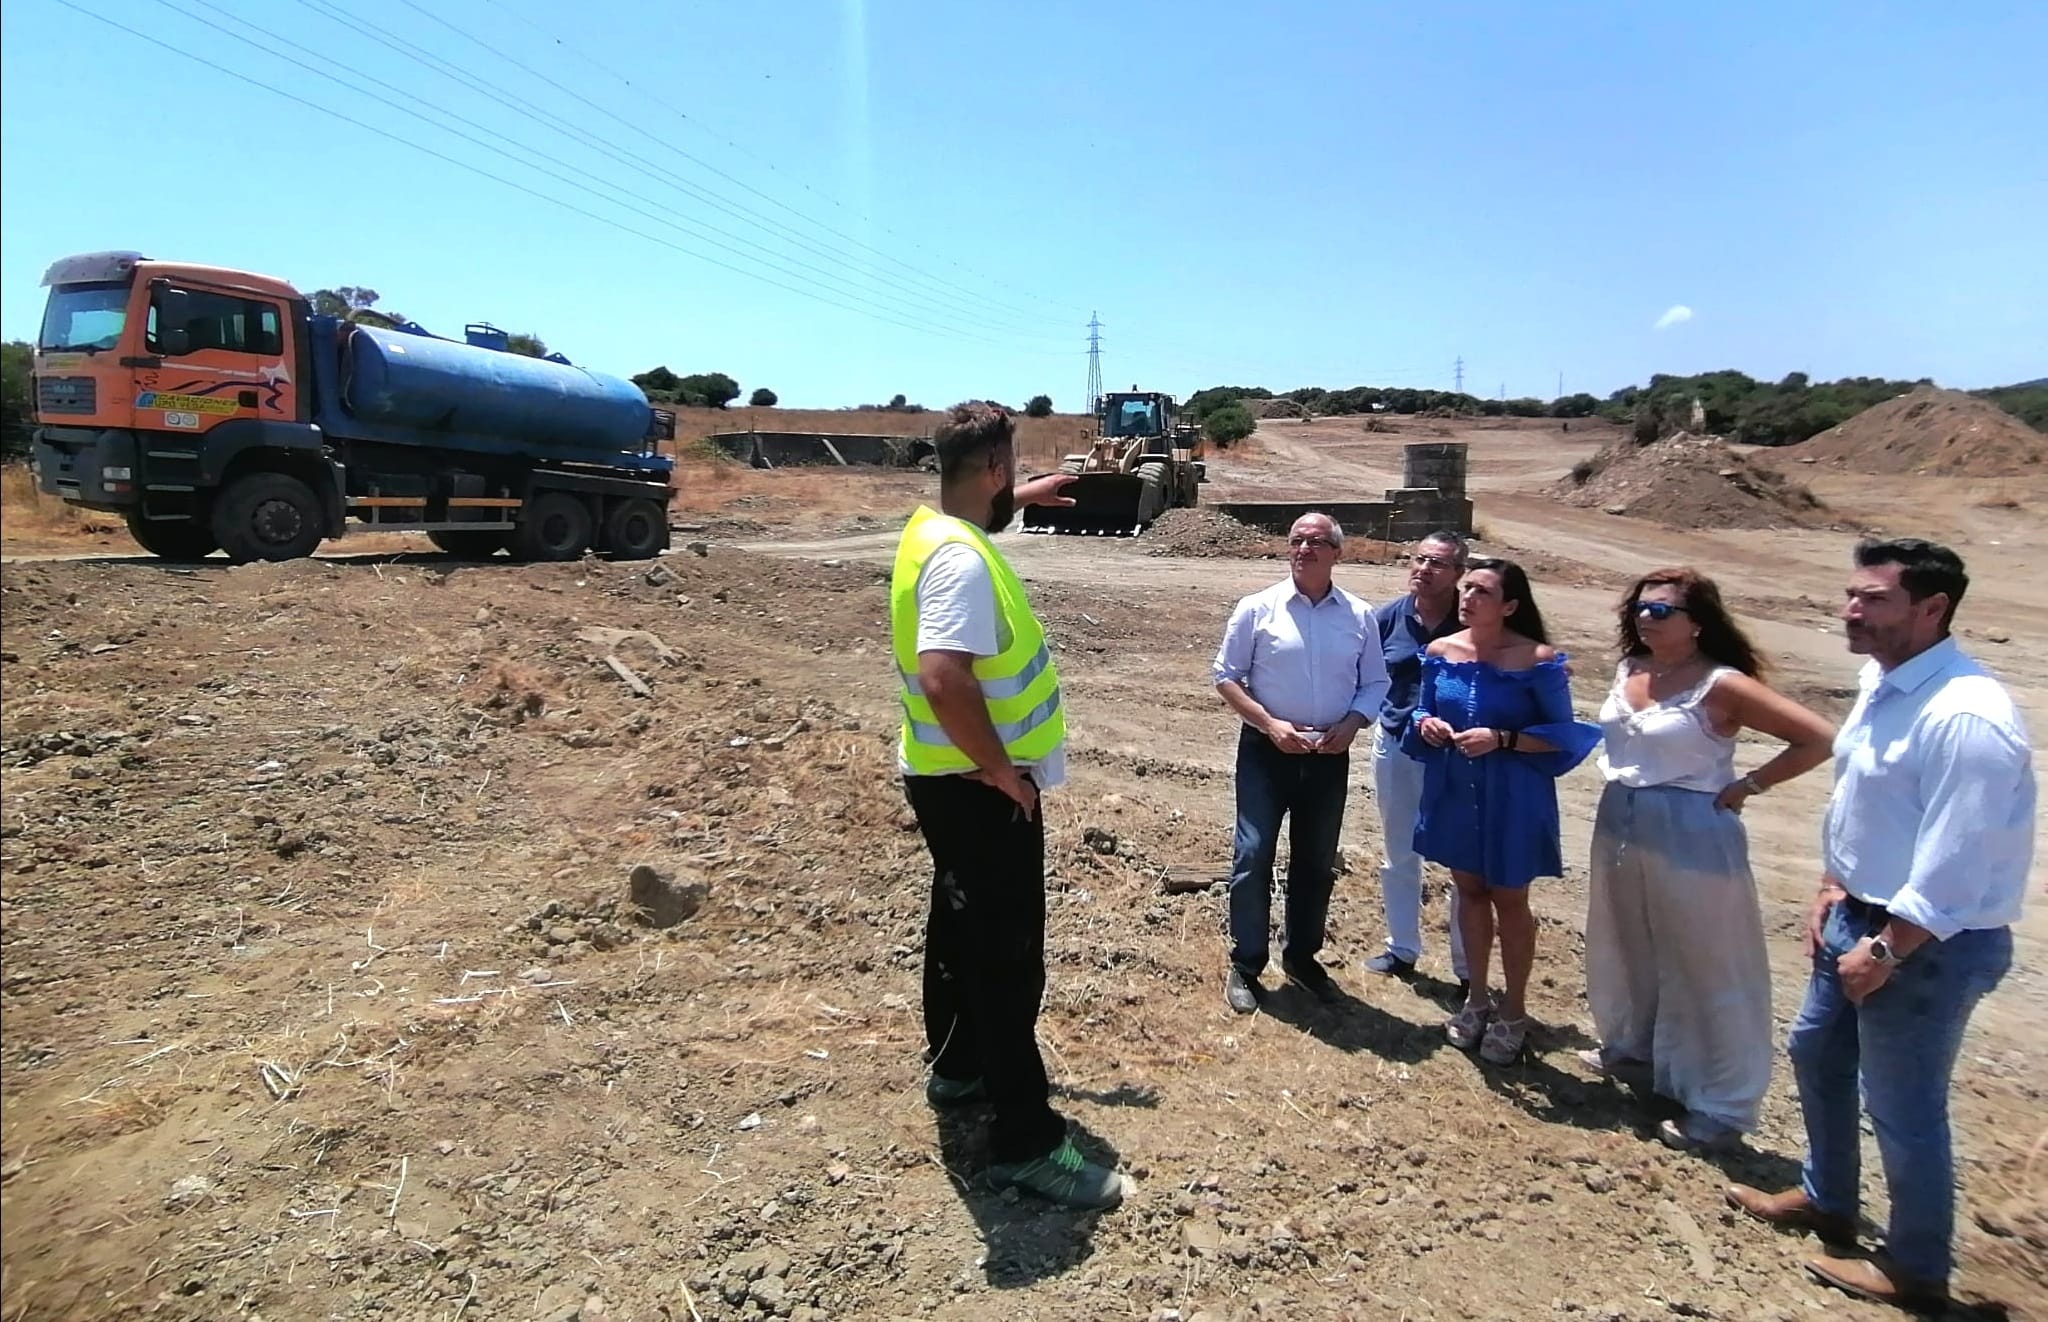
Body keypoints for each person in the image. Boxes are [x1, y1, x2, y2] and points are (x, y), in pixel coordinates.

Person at [1727, 539, 2034, 1310]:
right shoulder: (1883, 680)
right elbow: (1865, 798)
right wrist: (1834, 881)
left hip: (1924, 945)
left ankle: (1917, 1267)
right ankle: (1828, 1196)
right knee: (1817, 1054)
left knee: (1902, 1105)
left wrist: (1890, 948)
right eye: (1851, 595)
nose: (1849, 612)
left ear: (1932, 609)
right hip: (1858, 915)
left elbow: (1957, 859)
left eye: (1872, 600)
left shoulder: (1968, 715)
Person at [891, 401, 1125, 1211]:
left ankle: (956, 1070)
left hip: (941, 781)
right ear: (991, 468)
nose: (1016, 481)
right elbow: (944, 676)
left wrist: (1023, 499)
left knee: (956, 928)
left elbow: (970, 528)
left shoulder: (931, 531)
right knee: (1006, 959)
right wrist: (1003, 773)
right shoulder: (960, 563)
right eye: (1013, 471)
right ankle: (1026, 1144)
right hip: (980, 789)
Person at [1584, 568, 1835, 1152]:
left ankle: (1721, 1103)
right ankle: (1635, 1050)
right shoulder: (1631, 670)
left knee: (1707, 962)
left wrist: (1749, 785)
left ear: (1698, 622)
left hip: (1690, 826)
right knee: (1628, 939)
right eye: (1642, 608)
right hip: (1620, 814)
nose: (1647, 617)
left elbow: (1818, 738)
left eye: (1663, 610)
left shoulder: (1721, 685)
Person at [1406, 558, 1598, 1064]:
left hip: (1514, 792)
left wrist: (1504, 738)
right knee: (1468, 891)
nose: (1467, 598)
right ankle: (1475, 998)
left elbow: (1562, 736)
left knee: (1510, 898)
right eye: (1466, 588)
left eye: (1482, 592)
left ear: (1510, 605)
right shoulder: (1440, 652)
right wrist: (1427, 724)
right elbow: (1422, 708)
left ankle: (1513, 1009)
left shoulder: (1538, 659)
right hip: (1454, 786)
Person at [1212, 513, 1390, 1014]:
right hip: (1267, 752)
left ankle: (1303, 959)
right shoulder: (1257, 608)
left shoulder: (1359, 616)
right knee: (1252, 855)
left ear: (1338, 552)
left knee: (1315, 862)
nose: (1305, 548)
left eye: (1317, 541)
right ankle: (1246, 962)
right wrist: (1270, 724)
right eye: (1297, 541)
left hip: (1330, 756)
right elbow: (1226, 676)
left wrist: (1353, 723)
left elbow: (1375, 683)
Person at [1362, 531, 1471, 996]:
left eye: (1438, 564)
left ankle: (1467, 967)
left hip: (1458, 758)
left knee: (1462, 860)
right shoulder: (1386, 618)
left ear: (1459, 575)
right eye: (1419, 559)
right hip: (1397, 749)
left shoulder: (1472, 622)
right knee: (1399, 851)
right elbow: (1364, 676)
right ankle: (1402, 947)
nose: (1424, 569)